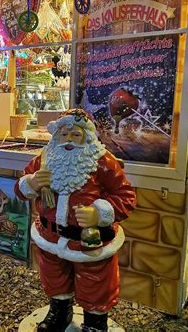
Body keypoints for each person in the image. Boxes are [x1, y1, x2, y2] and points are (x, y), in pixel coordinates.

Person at [14, 108, 137, 332]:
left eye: (76, 135)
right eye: (64, 134)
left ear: (87, 136)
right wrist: (31, 183)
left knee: (96, 281)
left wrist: (99, 214)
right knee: (54, 277)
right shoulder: (44, 159)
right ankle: (60, 312)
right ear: (56, 136)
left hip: (87, 240)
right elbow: (21, 190)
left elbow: (126, 196)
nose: (68, 140)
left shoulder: (102, 162)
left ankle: (95, 323)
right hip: (50, 236)